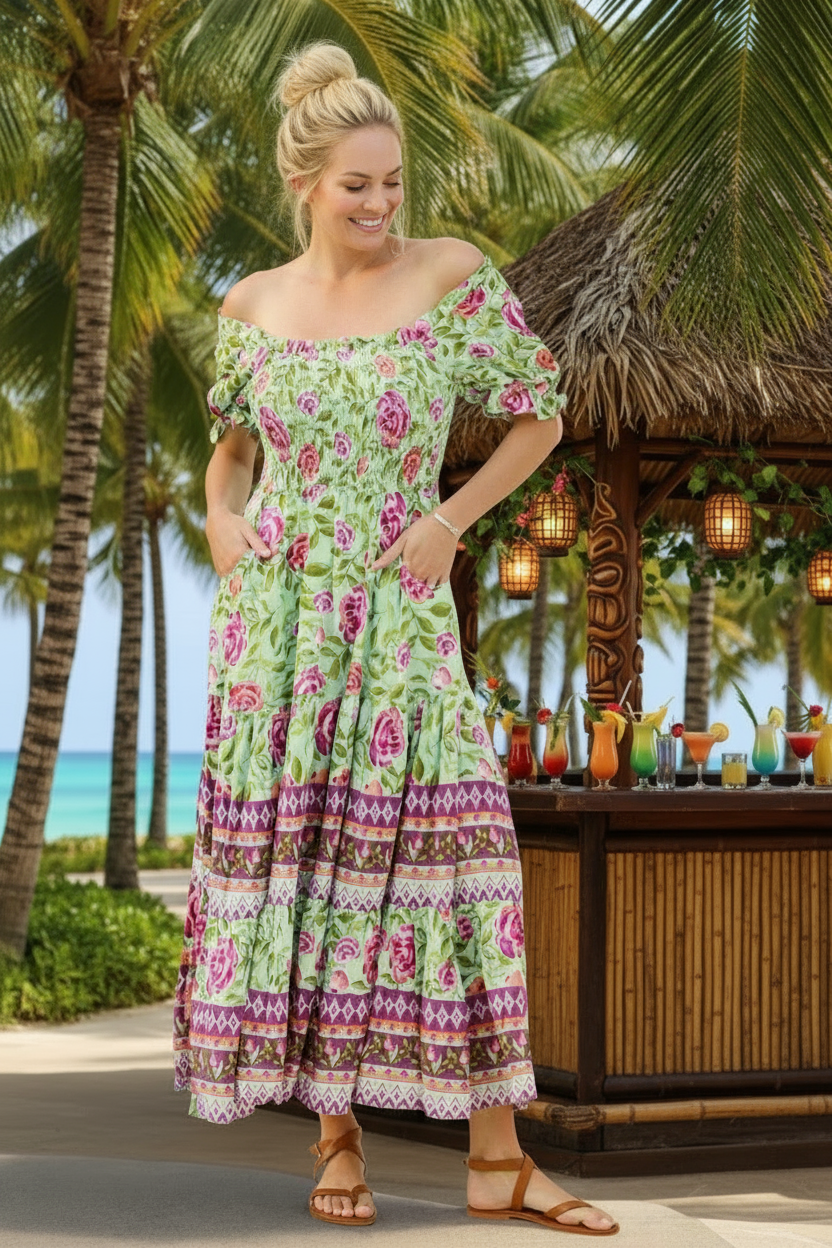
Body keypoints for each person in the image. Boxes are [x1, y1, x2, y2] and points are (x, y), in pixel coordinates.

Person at [173, 38, 618, 1237]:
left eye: (392, 181)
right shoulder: (251, 304)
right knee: (314, 878)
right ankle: (338, 1140)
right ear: (305, 184)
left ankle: (498, 1160)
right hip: (276, 637)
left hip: (403, 623)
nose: (380, 204)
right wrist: (219, 520)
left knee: (462, 868)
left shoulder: (451, 276)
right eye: (356, 184)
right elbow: (227, 454)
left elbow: (540, 416)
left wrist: (448, 519)